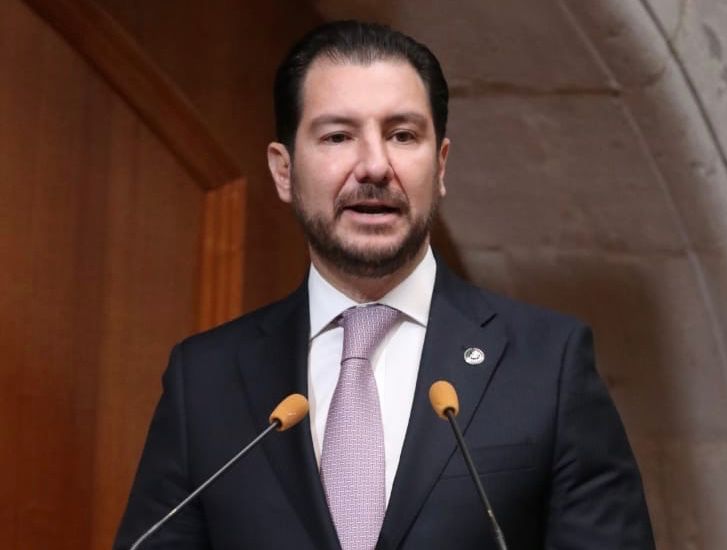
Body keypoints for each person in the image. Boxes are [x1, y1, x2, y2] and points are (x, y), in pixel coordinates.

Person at [114, 20, 655, 549]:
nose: (374, 166)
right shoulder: (204, 380)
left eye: (402, 135)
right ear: (283, 171)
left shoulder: (547, 364)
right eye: (338, 136)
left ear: (440, 165)